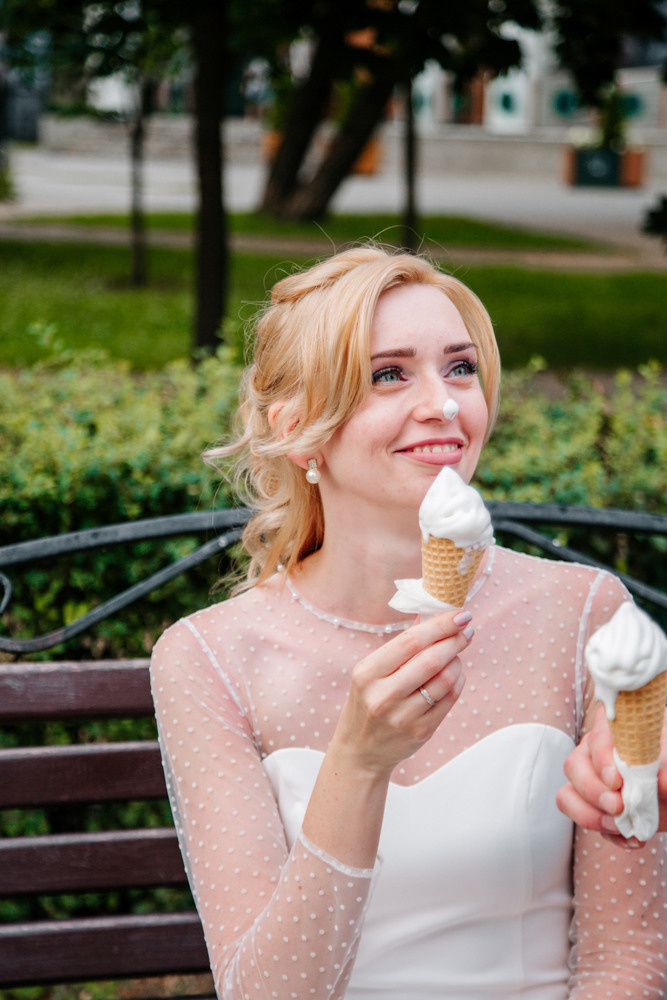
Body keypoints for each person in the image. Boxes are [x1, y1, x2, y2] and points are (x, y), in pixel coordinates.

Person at [150, 245, 667, 1000]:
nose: (445, 405)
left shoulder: (584, 615)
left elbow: (625, 968)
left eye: (459, 368)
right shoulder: (208, 658)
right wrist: (357, 765)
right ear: (295, 429)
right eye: (388, 374)